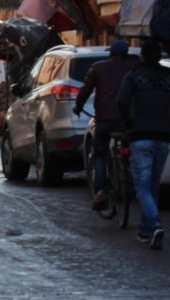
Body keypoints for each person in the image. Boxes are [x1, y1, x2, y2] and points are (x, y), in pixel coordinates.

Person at [116, 38, 170, 251]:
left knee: (141, 185)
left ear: (142, 55)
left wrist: (129, 122)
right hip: (162, 137)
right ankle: (145, 229)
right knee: (153, 185)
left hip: (140, 135)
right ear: (159, 56)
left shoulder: (133, 77)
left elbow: (121, 102)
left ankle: (155, 223)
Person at [73, 39, 133, 211]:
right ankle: (127, 175)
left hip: (104, 120)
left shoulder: (98, 67)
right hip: (124, 122)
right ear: (126, 54)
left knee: (100, 154)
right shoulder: (131, 69)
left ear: (111, 53)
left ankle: (101, 191)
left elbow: (85, 91)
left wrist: (78, 107)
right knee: (129, 150)